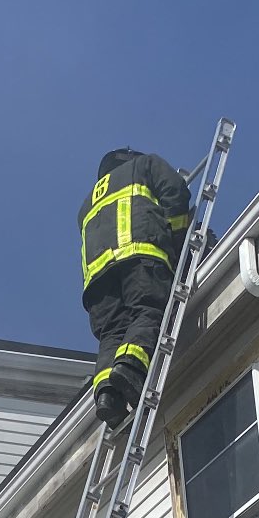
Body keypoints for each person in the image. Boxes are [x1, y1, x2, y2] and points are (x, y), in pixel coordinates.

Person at [78, 148, 193, 430]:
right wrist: (178, 240)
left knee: (112, 335)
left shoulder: (86, 205)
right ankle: (130, 369)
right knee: (148, 311)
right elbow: (175, 192)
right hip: (140, 256)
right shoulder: (144, 165)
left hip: (98, 280)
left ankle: (108, 396)